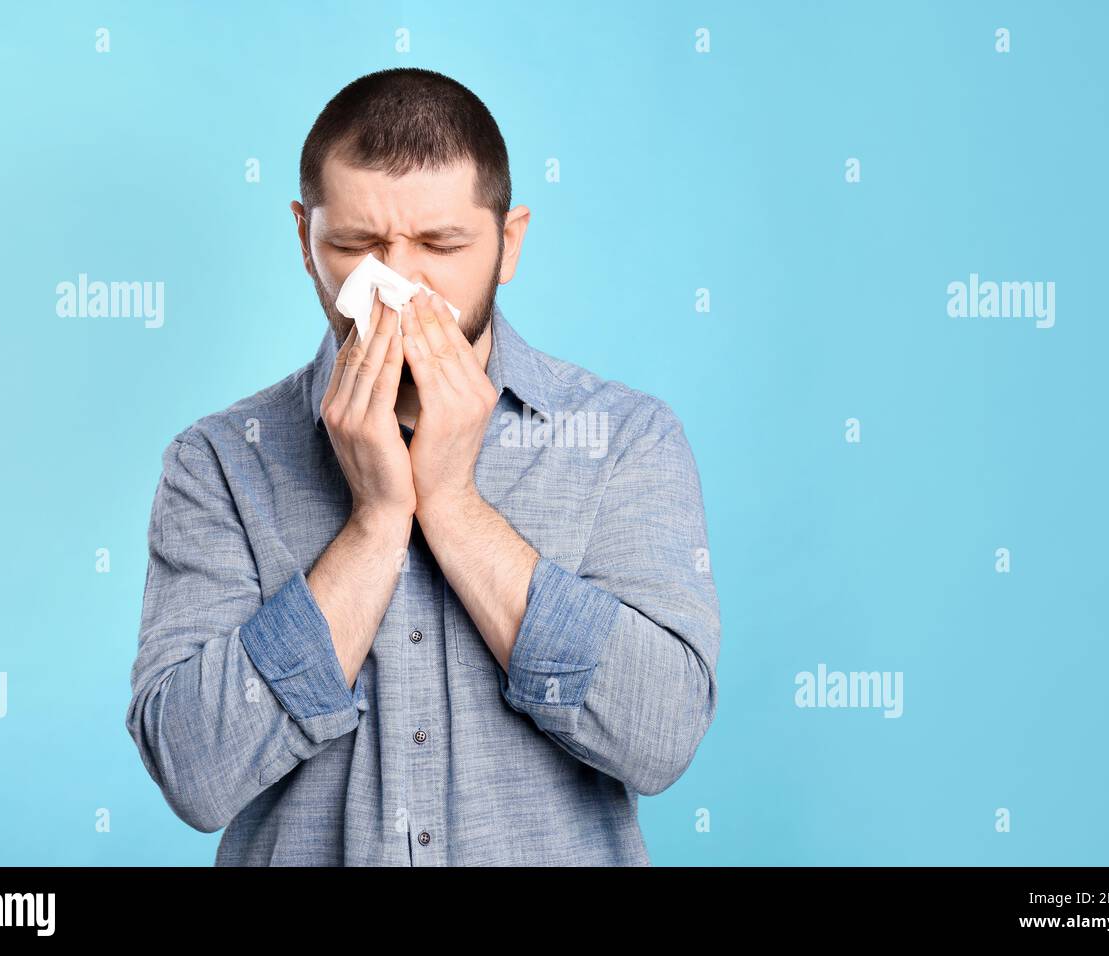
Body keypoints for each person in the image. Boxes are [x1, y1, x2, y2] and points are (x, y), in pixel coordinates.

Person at [125, 67, 721, 865]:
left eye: (442, 245)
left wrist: (453, 507)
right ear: (305, 242)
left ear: (508, 244)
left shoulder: (624, 440)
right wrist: (375, 524)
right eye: (354, 245)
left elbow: (660, 737)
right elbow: (194, 773)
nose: (398, 287)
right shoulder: (220, 462)